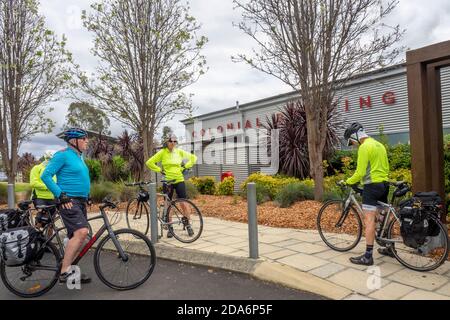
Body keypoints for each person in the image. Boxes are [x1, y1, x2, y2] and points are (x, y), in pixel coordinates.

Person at [41, 128, 92, 283]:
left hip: (80, 201)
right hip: (68, 201)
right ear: (73, 141)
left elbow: (80, 178)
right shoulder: (62, 155)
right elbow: (45, 176)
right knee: (82, 232)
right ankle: (64, 272)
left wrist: (87, 196)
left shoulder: (79, 157)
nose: (87, 141)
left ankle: (71, 270)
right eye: (84, 138)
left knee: (79, 238)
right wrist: (61, 195)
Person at [344, 122, 391, 266]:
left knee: (369, 221)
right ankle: (389, 247)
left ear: (355, 136)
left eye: (351, 142)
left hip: (372, 186)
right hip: (384, 185)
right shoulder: (379, 145)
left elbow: (360, 172)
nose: (353, 145)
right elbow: (386, 166)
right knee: (384, 217)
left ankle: (368, 256)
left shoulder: (364, 147)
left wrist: (348, 181)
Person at [146, 134, 197, 238]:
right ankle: (170, 227)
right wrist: (160, 170)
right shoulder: (162, 153)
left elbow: (193, 158)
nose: (173, 143)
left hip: (179, 179)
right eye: (171, 141)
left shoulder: (179, 151)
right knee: (168, 204)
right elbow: (149, 162)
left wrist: (185, 167)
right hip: (168, 181)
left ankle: (188, 225)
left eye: (175, 141)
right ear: (167, 142)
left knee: (184, 203)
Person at [30, 151, 56, 228]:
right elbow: (33, 183)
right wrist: (48, 186)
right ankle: (36, 237)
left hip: (52, 198)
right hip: (39, 197)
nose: (49, 160)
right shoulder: (37, 168)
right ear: (45, 157)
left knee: (51, 223)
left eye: (51, 159)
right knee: (41, 219)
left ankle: (48, 239)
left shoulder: (54, 170)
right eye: (48, 158)